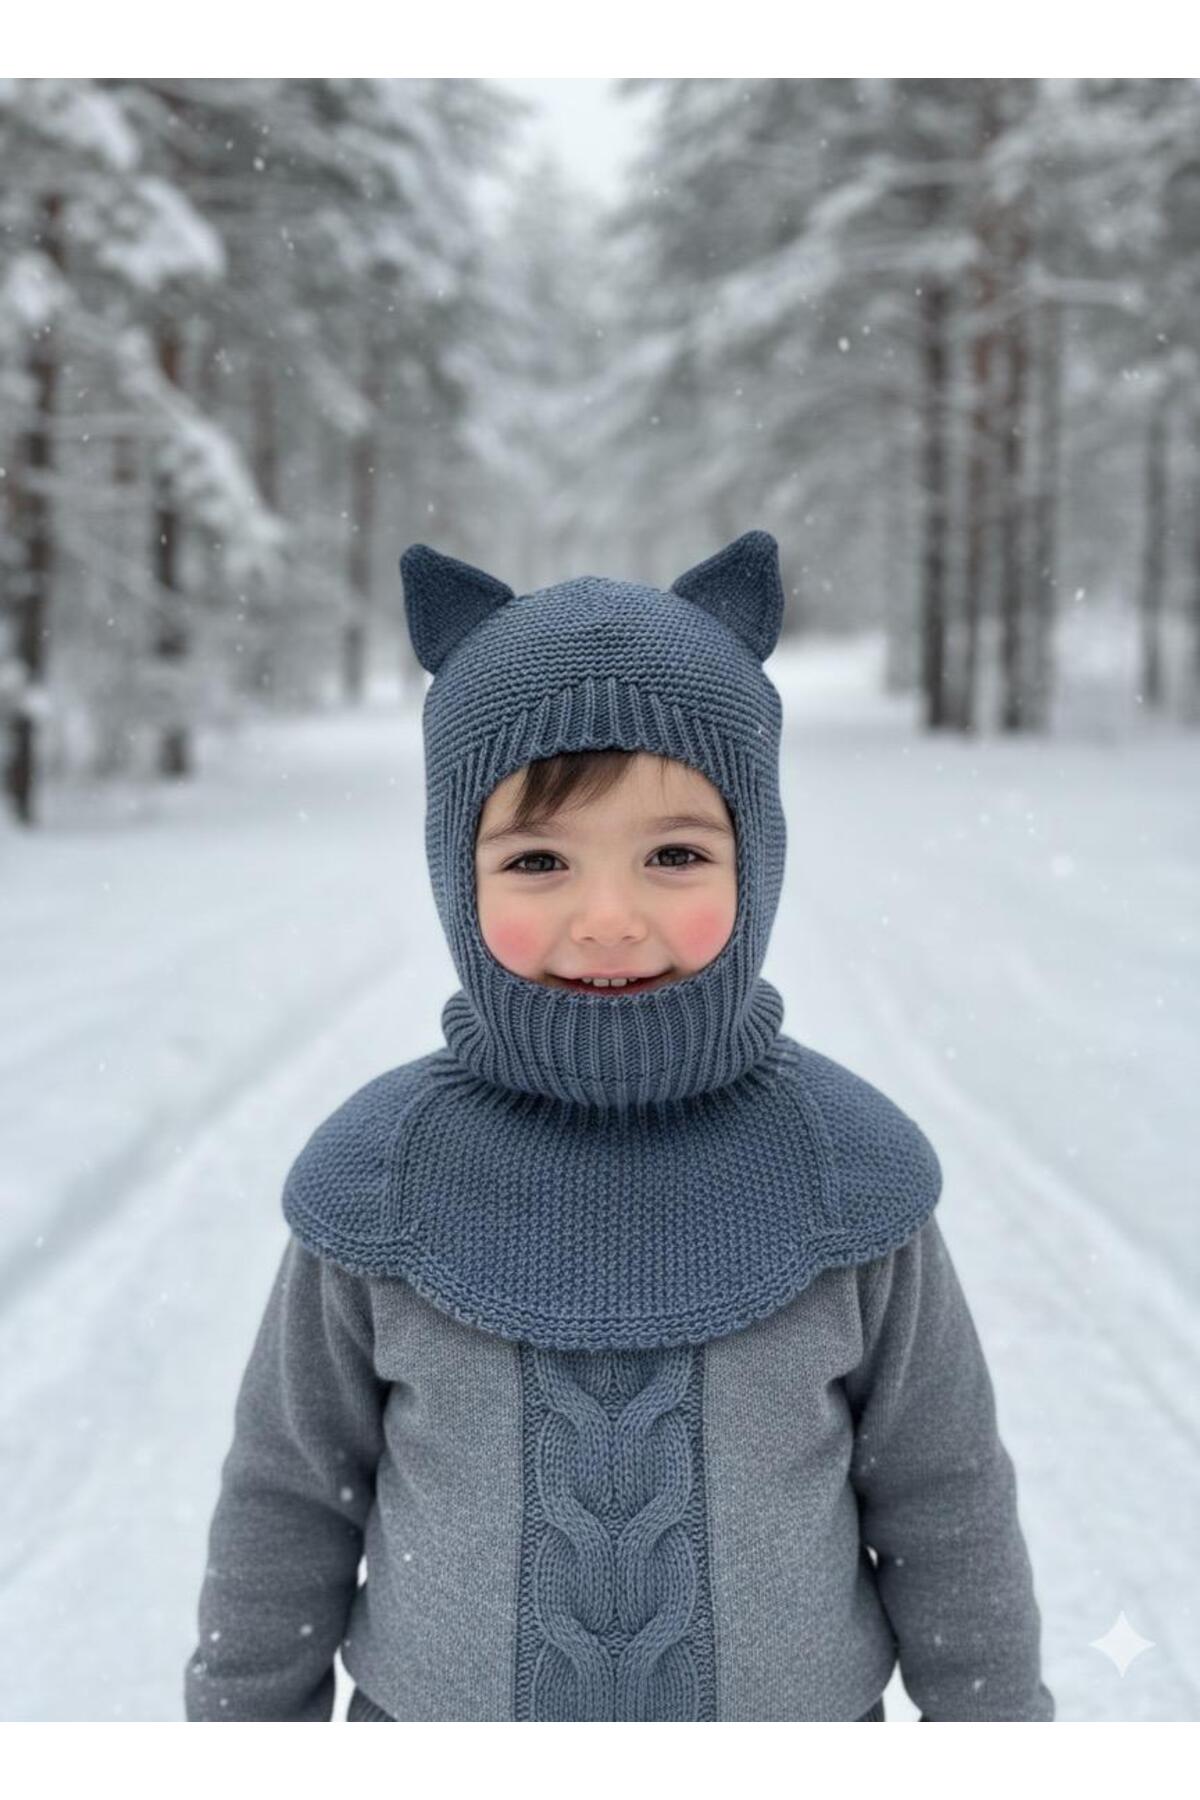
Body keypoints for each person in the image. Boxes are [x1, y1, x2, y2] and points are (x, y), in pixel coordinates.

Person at [184, 529, 1055, 1722]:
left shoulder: (847, 1179)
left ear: (758, 864)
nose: (608, 917)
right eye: (539, 857)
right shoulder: (381, 1183)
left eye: (675, 854)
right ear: (458, 874)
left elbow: (945, 1500)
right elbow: (289, 1500)